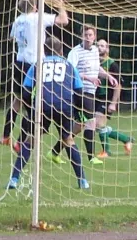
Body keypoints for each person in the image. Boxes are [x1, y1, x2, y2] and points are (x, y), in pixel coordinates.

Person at [7, 36, 89, 190]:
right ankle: (82, 180)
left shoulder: (37, 65)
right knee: (68, 140)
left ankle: (14, 179)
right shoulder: (70, 66)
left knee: (30, 141)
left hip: (42, 105)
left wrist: (31, 110)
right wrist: (79, 113)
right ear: (61, 51)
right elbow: (79, 92)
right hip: (64, 105)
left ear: (44, 50)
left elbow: (26, 91)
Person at [0, 0, 68, 147]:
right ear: (35, 7)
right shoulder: (37, 18)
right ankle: (20, 142)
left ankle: (5, 135)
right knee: (34, 106)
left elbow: (12, 38)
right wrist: (60, 4)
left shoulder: (18, 20)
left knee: (18, 101)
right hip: (34, 65)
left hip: (19, 62)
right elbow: (64, 21)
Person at [64, 24, 118, 165]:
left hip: (90, 91)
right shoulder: (75, 52)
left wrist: (108, 76)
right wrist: (89, 78)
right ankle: (91, 157)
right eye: (85, 35)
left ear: (94, 37)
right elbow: (70, 72)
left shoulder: (94, 50)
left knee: (80, 125)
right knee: (91, 122)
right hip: (79, 90)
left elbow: (96, 67)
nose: (88, 38)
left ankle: (55, 151)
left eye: (90, 35)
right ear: (81, 36)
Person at [95, 39, 133, 158]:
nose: (99, 48)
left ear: (107, 49)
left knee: (99, 124)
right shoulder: (94, 63)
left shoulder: (112, 64)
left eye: (102, 46)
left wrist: (113, 103)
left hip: (107, 97)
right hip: (96, 96)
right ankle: (126, 140)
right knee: (97, 125)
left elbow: (118, 85)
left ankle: (106, 151)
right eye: (97, 46)